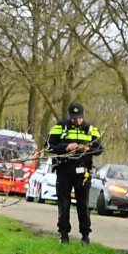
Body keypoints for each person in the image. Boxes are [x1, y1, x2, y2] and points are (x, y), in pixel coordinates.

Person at [46, 101, 103, 244]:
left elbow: (100, 149)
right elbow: (48, 146)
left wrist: (87, 149)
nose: (77, 120)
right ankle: (64, 235)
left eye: (79, 117)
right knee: (63, 204)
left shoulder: (91, 129)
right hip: (64, 170)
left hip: (83, 172)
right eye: (74, 117)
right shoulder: (60, 127)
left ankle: (85, 235)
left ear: (83, 115)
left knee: (83, 204)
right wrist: (65, 147)